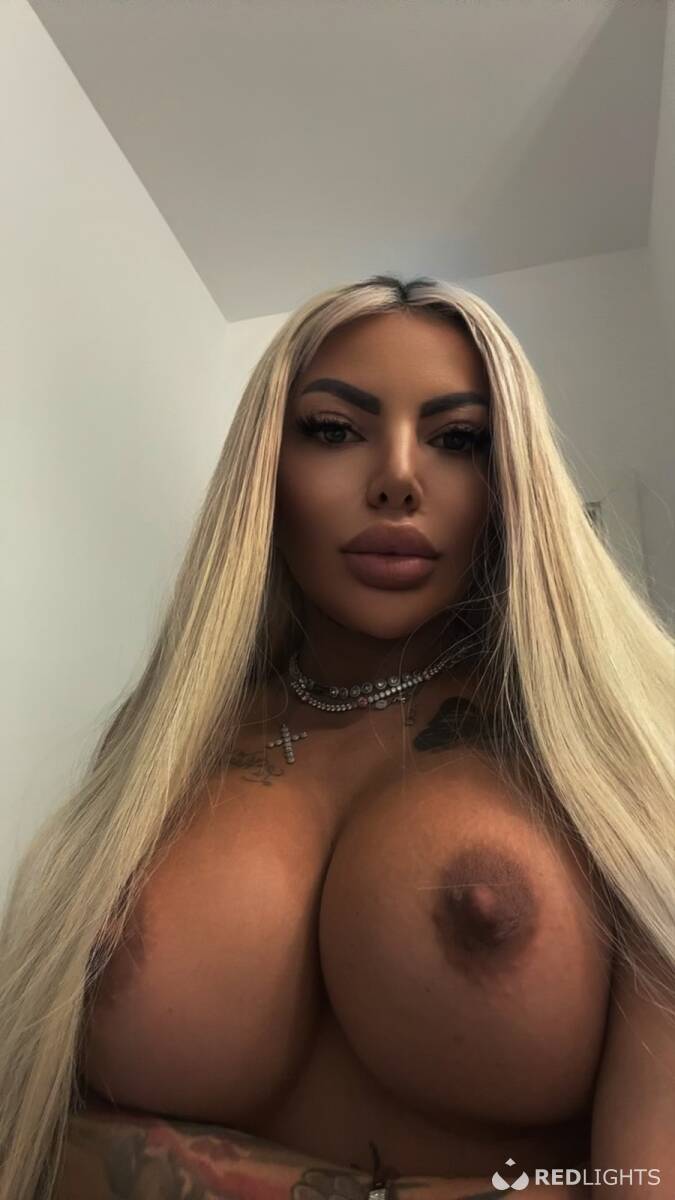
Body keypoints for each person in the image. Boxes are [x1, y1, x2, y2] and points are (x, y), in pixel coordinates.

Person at [0, 275, 673, 1200]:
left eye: (457, 439)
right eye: (332, 429)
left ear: (511, 481)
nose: (397, 478)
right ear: (265, 473)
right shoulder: (165, 741)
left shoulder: (615, 736)